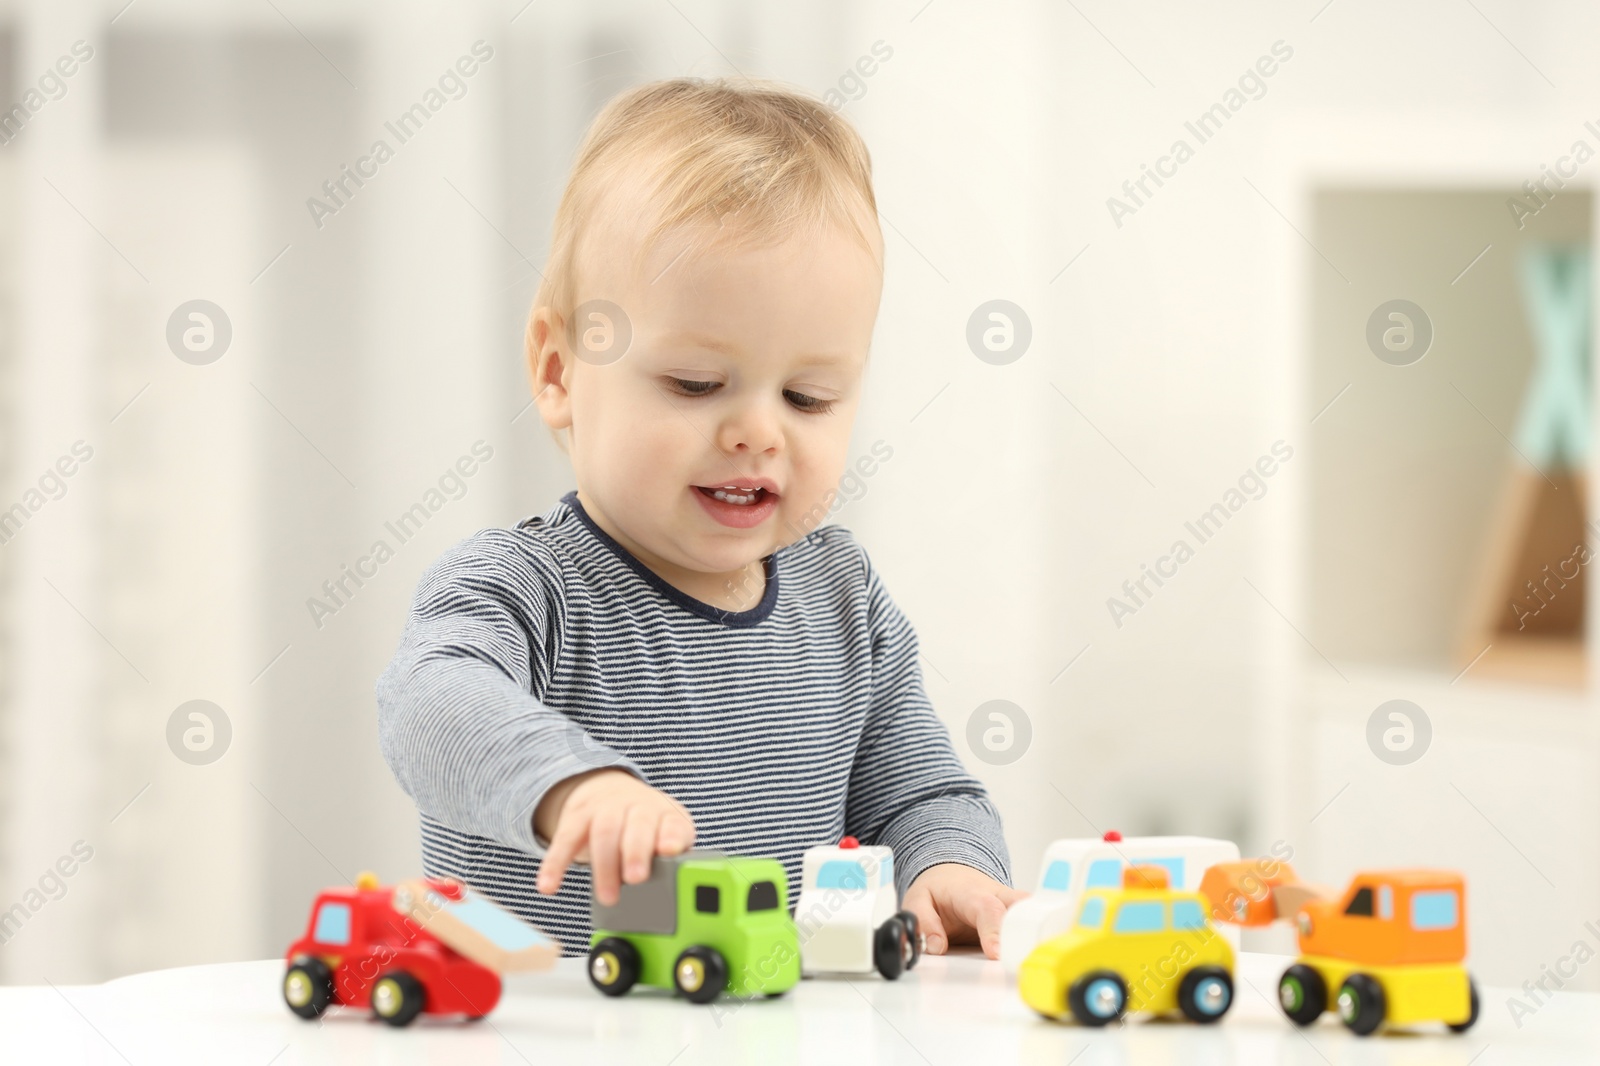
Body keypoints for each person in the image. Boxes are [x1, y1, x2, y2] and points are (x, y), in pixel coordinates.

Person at [377, 77, 1017, 958]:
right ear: (559, 371)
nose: (758, 430)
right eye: (695, 384)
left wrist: (945, 866)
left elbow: (918, 795)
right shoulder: (522, 587)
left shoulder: (844, 600)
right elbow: (429, 708)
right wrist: (574, 786)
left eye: (809, 395)